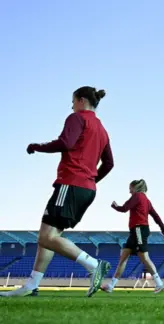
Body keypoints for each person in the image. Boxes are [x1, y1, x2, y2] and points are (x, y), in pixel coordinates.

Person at [1, 86, 113, 298]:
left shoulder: (77, 117)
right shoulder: (102, 129)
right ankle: (31, 285)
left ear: (81, 100)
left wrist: (36, 146)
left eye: (72, 101)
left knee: (46, 237)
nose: (71, 105)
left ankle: (94, 265)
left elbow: (66, 142)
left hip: (71, 184)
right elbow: (109, 163)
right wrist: (90, 179)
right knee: (48, 237)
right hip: (86, 189)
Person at [101, 179, 164, 294]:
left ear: (135, 187)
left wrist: (115, 205)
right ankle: (111, 285)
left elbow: (124, 208)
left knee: (144, 257)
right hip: (135, 231)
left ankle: (159, 284)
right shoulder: (146, 200)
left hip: (139, 229)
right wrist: (163, 228)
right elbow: (155, 215)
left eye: (130, 187)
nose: (129, 190)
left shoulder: (137, 196)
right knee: (123, 257)